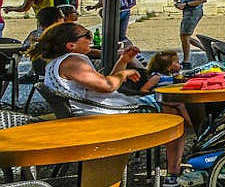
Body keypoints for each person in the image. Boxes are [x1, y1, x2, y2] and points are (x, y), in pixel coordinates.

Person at [33, 22, 188, 179]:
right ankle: (174, 172)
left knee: (172, 104)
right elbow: (107, 86)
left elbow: (104, 84)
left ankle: (185, 152)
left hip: (90, 111)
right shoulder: (73, 62)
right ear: (71, 45)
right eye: (87, 35)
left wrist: (123, 61)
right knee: (173, 109)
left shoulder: (56, 63)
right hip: (100, 116)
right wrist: (124, 73)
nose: (90, 39)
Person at [172, 0, 206, 65]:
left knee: (185, 35)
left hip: (194, 11)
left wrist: (186, 4)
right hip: (187, 12)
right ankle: (206, 49)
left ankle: (186, 60)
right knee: (184, 36)